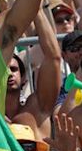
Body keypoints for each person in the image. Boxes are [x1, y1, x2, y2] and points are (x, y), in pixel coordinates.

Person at [6, 10, 61, 142]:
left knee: (24, 119)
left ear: (24, 78)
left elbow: (53, 57)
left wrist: (37, 8)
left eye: (13, 69)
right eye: (3, 71)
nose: (8, 74)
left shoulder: (37, 106)